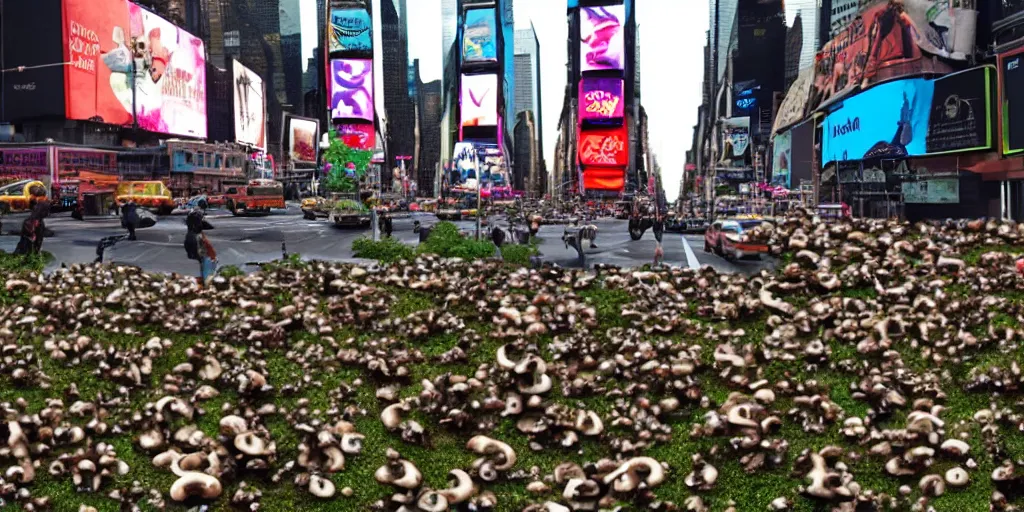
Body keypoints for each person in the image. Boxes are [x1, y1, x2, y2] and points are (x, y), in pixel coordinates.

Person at [184, 209, 217, 285]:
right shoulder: (197, 234)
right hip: (200, 250)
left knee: (205, 262)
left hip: (194, 242)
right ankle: (205, 282)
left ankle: (204, 281)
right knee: (206, 267)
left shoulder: (192, 231)